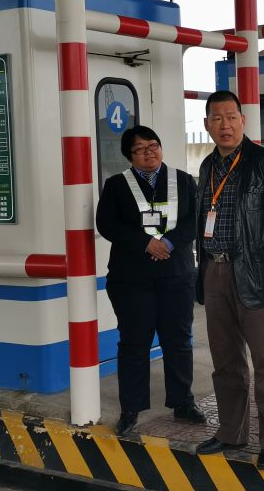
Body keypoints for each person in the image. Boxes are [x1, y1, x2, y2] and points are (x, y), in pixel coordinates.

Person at [194, 90, 264, 470]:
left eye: (231, 117)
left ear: (243, 120)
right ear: (207, 124)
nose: (225, 125)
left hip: (256, 272)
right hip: (214, 270)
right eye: (217, 118)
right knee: (225, 359)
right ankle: (231, 431)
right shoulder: (207, 167)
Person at [96, 125, 205, 436]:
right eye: (140, 149)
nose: (149, 152)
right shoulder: (116, 185)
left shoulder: (183, 180)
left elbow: (194, 220)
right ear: (129, 156)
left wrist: (168, 243)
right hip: (132, 279)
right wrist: (146, 243)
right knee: (134, 343)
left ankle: (183, 402)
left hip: (177, 275)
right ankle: (131, 408)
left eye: (153, 145)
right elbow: (107, 224)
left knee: (178, 341)